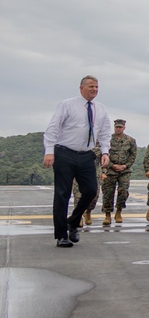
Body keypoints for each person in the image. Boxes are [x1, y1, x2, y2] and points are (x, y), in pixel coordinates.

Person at [42, 75, 112, 248]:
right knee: (62, 194)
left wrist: (105, 152)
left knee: (91, 191)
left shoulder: (101, 109)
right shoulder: (67, 105)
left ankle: (72, 222)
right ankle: (61, 235)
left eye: (96, 87)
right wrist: (49, 151)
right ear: (81, 88)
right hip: (64, 153)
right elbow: (53, 128)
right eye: (91, 86)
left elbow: (104, 132)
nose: (94, 89)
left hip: (86, 155)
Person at [101, 119, 137, 226]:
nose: (118, 129)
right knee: (108, 193)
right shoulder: (108, 140)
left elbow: (133, 155)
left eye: (120, 127)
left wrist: (125, 165)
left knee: (123, 191)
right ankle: (107, 215)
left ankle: (119, 212)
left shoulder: (130, 140)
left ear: (124, 128)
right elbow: (103, 154)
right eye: (116, 127)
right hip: (110, 170)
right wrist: (112, 165)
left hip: (124, 170)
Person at [73, 143, 103, 225]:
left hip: (94, 172)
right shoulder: (77, 139)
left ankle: (88, 211)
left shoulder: (100, 141)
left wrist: (104, 172)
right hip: (79, 170)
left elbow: (105, 157)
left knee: (94, 195)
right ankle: (78, 217)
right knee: (78, 195)